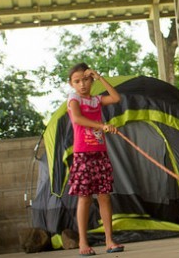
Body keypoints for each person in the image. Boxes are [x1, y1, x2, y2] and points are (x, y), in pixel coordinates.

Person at [66, 63, 124, 256]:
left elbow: (116, 98)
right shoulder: (74, 99)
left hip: (100, 152)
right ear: (71, 84)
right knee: (85, 198)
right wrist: (102, 126)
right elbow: (77, 119)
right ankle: (83, 242)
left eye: (85, 79)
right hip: (83, 154)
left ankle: (109, 241)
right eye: (77, 81)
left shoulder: (97, 100)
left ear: (90, 80)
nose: (82, 84)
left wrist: (100, 77)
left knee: (104, 197)